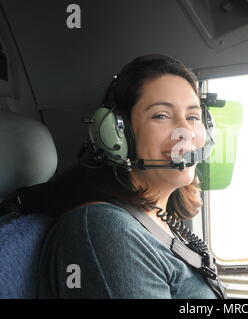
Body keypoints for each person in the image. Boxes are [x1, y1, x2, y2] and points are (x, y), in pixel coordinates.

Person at [37, 54, 225, 299]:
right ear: (118, 132)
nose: (186, 131)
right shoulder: (104, 229)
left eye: (192, 117)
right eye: (161, 115)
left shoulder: (161, 223)